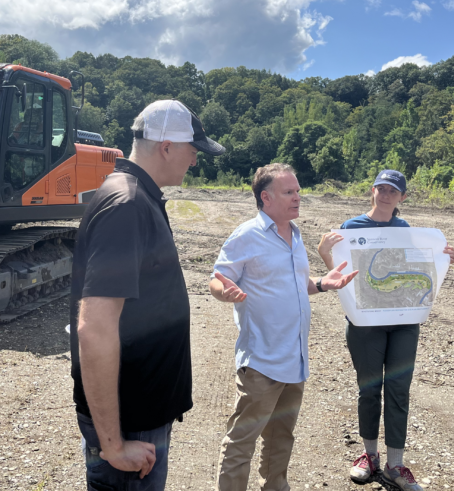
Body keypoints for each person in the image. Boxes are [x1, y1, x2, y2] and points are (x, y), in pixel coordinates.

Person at [69, 99, 226, 490]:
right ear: (167, 147)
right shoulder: (128, 205)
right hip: (131, 425)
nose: (195, 161)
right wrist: (114, 444)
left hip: (139, 416)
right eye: (193, 151)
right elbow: (95, 327)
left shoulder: (138, 196)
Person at [210, 163, 359, 491]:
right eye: (289, 192)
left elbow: (295, 282)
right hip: (262, 363)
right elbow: (217, 280)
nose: (297, 197)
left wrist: (322, 283)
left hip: (295, 361)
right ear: (266, 197)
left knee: (281, 440)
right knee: (241, 443)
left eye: (298, 191)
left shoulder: (294, 234)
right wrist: (227, 292)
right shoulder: (246, 235)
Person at [318, 169, 454, 491]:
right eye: (381, 188)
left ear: (402, 198)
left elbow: (416, 268)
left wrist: (444, 258)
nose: (385, 194)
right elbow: (341, 275)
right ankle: (369, 457)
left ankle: (396, 465)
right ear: (372, 190)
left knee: (399, 390)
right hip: (365, 324)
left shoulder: (406, 230)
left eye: (392, 191)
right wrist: (326, 254)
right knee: (369, 390)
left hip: (404, 325)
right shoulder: (351, 228)